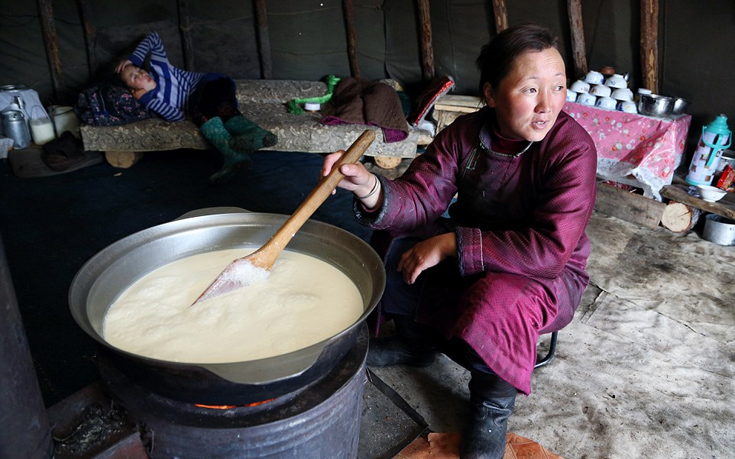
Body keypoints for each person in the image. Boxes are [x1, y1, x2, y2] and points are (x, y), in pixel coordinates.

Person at [321, 23, 597, 458]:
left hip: (546, 276)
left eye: (559, 87)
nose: (548, 105)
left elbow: (549, 251)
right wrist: (368, 186)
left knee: (499, 297)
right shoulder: (465, 134)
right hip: (479, 248)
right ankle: (417, 344)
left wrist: (451, 245)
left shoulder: (572, 149)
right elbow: (421, 197)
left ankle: (491, 407)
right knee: (394, 237)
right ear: (490, 93)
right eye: (530, 89)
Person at [115, 32, 277, 182]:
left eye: (139, 69)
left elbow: (154, 37)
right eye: (134, 77)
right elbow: (176, 117)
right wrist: (146, 99)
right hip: (211, 105)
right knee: (207, 114)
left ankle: (233, 153)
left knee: (202, 109)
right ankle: (257, 136)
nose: (142, 73)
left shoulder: (160, 68)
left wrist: (132, 60)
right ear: (134, 91)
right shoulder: (153, 101)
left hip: (213, 84)